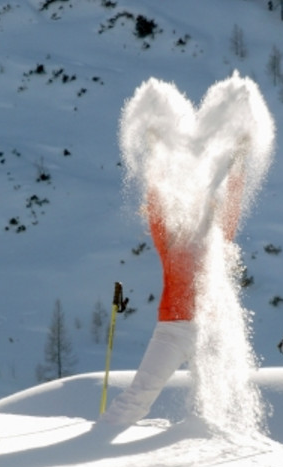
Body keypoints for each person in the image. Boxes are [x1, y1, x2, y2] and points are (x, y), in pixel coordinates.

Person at [99, 171, 244, 426]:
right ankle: (100, 438)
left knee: (214, 408)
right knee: (139, 395)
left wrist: (238, 166)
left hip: (211, 332)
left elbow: (231, 206)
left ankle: (205, 448)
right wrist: (159, 160)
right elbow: (156, 212)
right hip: (174, 331)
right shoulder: (171, 242)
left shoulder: (219, 242)